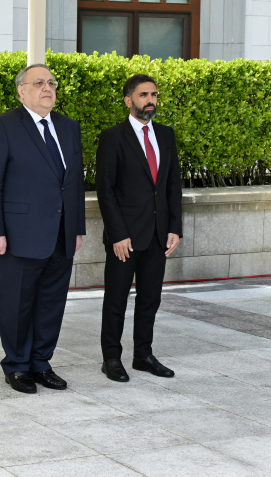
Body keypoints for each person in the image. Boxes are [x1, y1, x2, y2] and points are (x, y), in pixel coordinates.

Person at [0, 63, 86, 394]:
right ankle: (16, 365)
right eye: (38, 82)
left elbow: (74, 182)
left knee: (52, 302)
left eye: (51, 82)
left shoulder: (68, 127)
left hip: (61, 233)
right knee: (17, 304)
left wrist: (77, 227)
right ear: (21, 90)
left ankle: (41, 362)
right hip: (17, 235)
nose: (47, 88)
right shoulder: (5, 126)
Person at [96, 74, 182, 382]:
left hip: (158, 235)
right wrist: (118, 234)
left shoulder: (166, 135)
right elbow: (105, 190)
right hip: (125, 238)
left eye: (154, 95)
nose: (150, 100)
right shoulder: (113, 137)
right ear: (128, 100)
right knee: (116, 299)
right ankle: (111, 358)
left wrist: (175, 227)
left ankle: (143, 355)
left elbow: (172, 185)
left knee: (150, 299)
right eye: (144, 95)